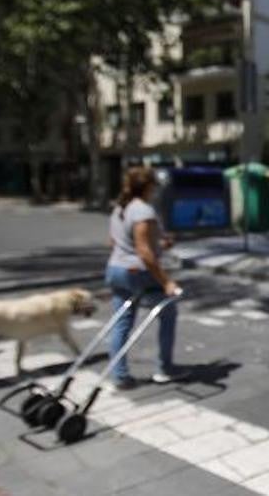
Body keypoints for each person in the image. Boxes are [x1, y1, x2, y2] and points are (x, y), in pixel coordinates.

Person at [106, 165, 184, 389]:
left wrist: (161, 243)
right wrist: (166, 282)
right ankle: (165, 368)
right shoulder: (143, 211)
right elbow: (144, 251)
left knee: (121, 323)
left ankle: (120, 376)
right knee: (168, 312)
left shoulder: (120, 208)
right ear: (149, 186)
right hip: (136, 271)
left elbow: (115, 242)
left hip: (115, 269)